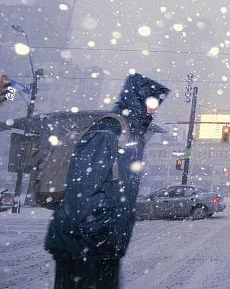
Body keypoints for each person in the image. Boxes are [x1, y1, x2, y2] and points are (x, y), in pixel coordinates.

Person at [45, 73, 169, 289]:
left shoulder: (130, 134)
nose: (154, 108)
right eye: (150, 101)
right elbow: (83, 190)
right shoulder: (109, 131)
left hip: (100, 248)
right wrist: (98, 236)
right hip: (84, 248)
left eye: (156, 103)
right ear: (135, 99)